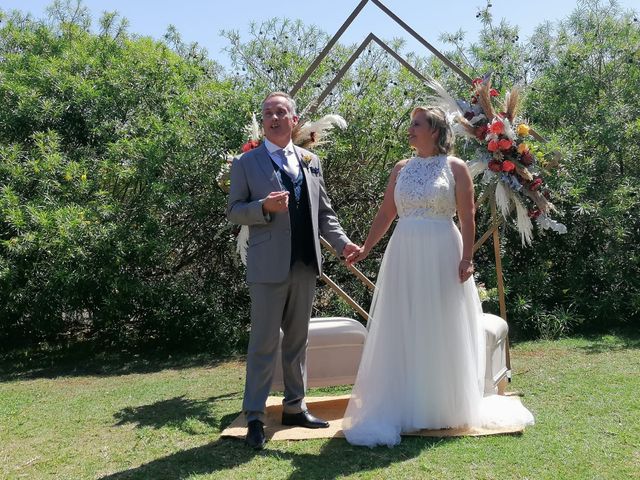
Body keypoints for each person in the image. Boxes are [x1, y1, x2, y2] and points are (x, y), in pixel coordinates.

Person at [342, 106, 534, 447]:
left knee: (439, 323)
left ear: (434, 130)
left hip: (442, 250)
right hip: (404, 249)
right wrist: (366, 247)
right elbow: (387, 212)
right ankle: (404, 402)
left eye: (416, 124)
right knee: (405, 322)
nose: (410, 129)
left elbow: (467, 215)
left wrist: (466, 258)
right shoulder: (401, 168)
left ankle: (442, 404)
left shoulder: (455, 167)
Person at [227, 91, 359, 449]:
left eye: (280, 112)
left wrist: (343, 243)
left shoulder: (310, 160)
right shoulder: (246, 163)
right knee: (263, 343)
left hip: (305, 264)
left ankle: (295, 407)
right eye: (267, 112)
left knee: (298, 343)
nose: (273, 117)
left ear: (294, 120)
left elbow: (324, 214)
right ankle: (254, 416)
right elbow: (235, 210)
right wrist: (263, 207)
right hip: (267, 267)